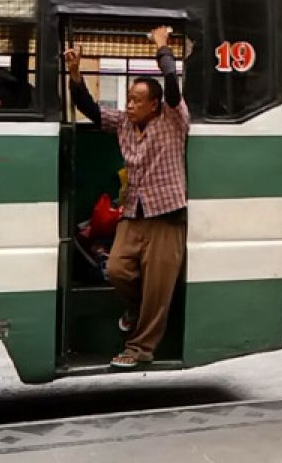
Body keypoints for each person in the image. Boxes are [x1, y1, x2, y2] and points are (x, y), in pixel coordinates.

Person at [62, 26, 188, 369]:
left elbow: (173, 86)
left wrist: (162, 48)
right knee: (116, 268)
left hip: (167, 215)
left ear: (154, 104)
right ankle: (134, 309)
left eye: (136, 100)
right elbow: (90, 109)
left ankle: (139, 349)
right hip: (133, 212)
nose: (129, 105)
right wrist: (75, 75)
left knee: (158, 290)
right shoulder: (123, 125)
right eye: (128, 100)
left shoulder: (172, 119)